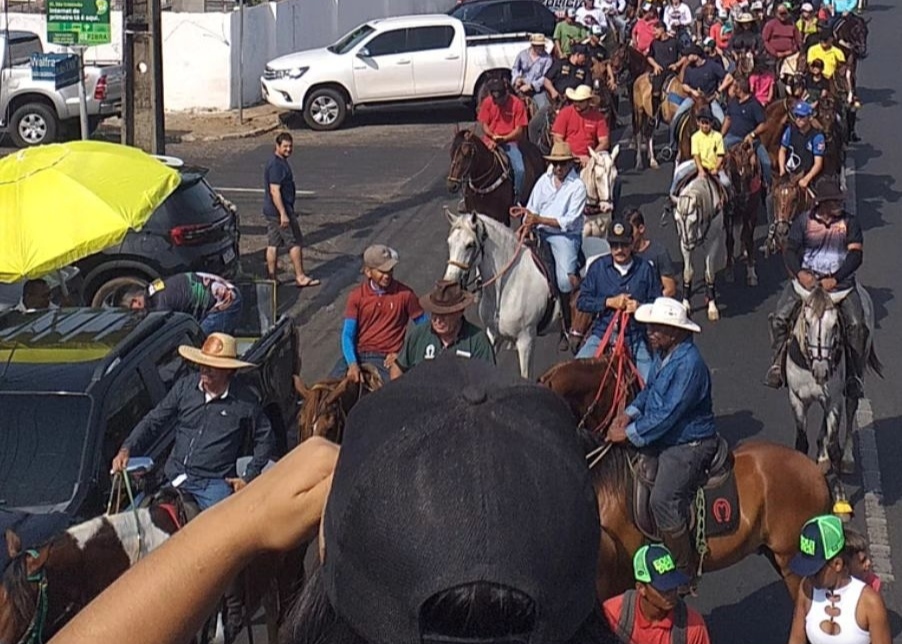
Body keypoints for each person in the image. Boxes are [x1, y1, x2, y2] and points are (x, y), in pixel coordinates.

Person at [56, 359, 618, 644]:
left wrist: (237, 523)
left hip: (217, 487)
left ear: (325, 544)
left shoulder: (247, 407)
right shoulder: (185, 392)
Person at [608, 297, 717, 586]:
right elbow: (650, 392)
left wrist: (629, 433)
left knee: (663, 499)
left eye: (658, 328)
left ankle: (684, 570)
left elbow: (669, 413)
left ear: (677, 331)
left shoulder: (689, 365)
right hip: (664, 433)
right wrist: (629, 413)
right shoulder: (663, 355)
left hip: (688, 442)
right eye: (651, 327)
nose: (650, 332)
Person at [110, 333, 274, 511]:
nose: (205, 370)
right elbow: (154, 419)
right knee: (129, 521)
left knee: (224, 532)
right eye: (203, 365)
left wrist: (247, 477)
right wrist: (127, 448)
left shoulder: (244, 402)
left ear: (229, 370)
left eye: (212, 366)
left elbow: (265, 438)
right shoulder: (185, 387)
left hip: (212, 484)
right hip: (173, 475)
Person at [765, 178, 867, 393]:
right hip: (806, 286)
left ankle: (854, 376)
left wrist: (837, 278)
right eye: (834, 202)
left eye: (839, 201)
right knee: (779, 319)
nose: (839, 205)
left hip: (840, 288)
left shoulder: (850, 223)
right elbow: (790, 250)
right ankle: (777, 363)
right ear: (822, 203)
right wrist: (800, 273)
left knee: (857, 325)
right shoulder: (803, 222)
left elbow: (856, 256)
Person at [786, 515, 892, 644]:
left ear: (837, 564)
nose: (810, 577)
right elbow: (796, 640)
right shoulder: (807, 588)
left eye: (815, 571)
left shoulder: (870, 602)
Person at [575, 220, 660, 379]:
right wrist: (608, 302)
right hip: (601, 334)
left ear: (631, 244)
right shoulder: (598, 267)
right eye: (614, 245)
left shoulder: (645, 269)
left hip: (634, 336)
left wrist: (640, 307)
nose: (619, 250)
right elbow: (582, 301)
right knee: (574, 373)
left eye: (624, 245)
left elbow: (658, 304)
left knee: (652, 382)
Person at [512, 140, 587, 304]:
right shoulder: (543, 181)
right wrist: (526, 224)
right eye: (555, 163)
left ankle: (570, 318)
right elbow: (532, 207)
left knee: (564, 282)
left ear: (570, 163)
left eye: (562, 163)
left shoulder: (578, 187)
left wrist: (539, 219)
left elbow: (569, 221)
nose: (558, 168)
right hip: (538, 231)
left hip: (564, 237)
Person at [340, 244, 422, 383]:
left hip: (386, 360)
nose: (387, 275)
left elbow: (424, 329)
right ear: (368, 272)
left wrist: (402, 356)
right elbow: (348, 334)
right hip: (358, 355)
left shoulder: (406, 295)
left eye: (390, 270)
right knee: (325, 392)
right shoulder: (356, 296)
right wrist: (352, 364)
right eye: (382, 271)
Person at [602, 544, 711, 644]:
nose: (672, 592)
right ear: (641, 588)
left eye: (673, 584)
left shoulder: (694, 626)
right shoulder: (612, 614)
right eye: (664, 587)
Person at [389, 281, 494, 374]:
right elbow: (397, 367)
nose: (438, 320)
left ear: (459, 312)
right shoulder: (419, 334)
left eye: (444, 315)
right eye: (435, 314)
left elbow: (490, 379)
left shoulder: (477, 341)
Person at [263, 132, 319, 288]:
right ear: (277, 146)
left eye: (290, 146)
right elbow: (275, 190)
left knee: (273, 244)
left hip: (272, 211)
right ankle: (300, 277)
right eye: (285, 146)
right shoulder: (276, 166)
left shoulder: (278, 162)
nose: (288, 149)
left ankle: (272, 279)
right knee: (294, 242)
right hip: (280, 212)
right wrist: (283, 213)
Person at [123, 272, 242, 335]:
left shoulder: (160, 305)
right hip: (225, 287)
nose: (136, 315)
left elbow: (172, 333)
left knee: (199, 343)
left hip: (228, 301)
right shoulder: (154, 287)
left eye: (132, 310)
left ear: (136, 301)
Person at [477, 77, 529, 197]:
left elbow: (519, 130)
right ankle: (468, 194)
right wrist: (492, 136)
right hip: (489, 139)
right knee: (471, 161)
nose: (497, 103)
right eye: (495, 100)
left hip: (510, 142)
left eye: (500, 99)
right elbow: (484, 124)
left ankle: (517, 196)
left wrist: (504, 139)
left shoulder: (517, 104)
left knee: (520, 170)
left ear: (506, 94)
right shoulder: (488, 102)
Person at [720, 77, 772, 187]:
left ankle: (768, 187)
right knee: (718, 150)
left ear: (740, 89)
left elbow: (763, 124)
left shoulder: (754, 104)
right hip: (732, 136)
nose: (733, 89)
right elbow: (728, 119)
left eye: (735, 87)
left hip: (750, 139)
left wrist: (752, 134)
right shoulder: (733, 102)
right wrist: (720, 135)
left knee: (766, 162)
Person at [671, 46, 728, 140]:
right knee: (676, 117)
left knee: (722, 120)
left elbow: (728, 77)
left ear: (696, 56)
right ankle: (672, 146)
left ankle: (723, 145)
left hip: (710, 100)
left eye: (689, 55)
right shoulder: (689, 69)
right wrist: (692, 91)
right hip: (693, 99)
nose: (687, 58)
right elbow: (684, 85)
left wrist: (719, 90)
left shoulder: (712, 66)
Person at [552, 84, 610, 165]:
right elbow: (557, 139)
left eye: (580, 101)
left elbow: (604, 142)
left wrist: (591, 156)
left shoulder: (598, 117)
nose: (576, 103)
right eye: (575, 100)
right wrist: (573, 156)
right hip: (566, 158)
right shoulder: (565, 113)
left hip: (589, 158)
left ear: (589, 101)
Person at [626, 208, 677, 298]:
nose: (627, 235)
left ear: (641, 229)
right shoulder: (623, 254)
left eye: (630, 231)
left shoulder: (659, 253)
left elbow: (670, 289)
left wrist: (646, 304)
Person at [779, 102, 826, 189]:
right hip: (790, 174)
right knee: (770, 199)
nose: (798, 119)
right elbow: (782, 150)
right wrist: (782, 170)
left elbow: (818, 163)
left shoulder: (817, 137)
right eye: (796, 116)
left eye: (802, 116)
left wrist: (806, 179)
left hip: (808, 175)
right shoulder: (790, 131)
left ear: (809, 117)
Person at [512, 34, 553, 113]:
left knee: (544, 107)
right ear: (533, 45)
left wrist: (531, 86)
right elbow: (515, 68)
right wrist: (516, 78)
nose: (541, 47)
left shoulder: (548, 59)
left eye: (542, 45)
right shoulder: (522, 54)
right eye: (538, 45)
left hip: (538, 89)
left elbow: (545, 77)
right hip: (521, 86)